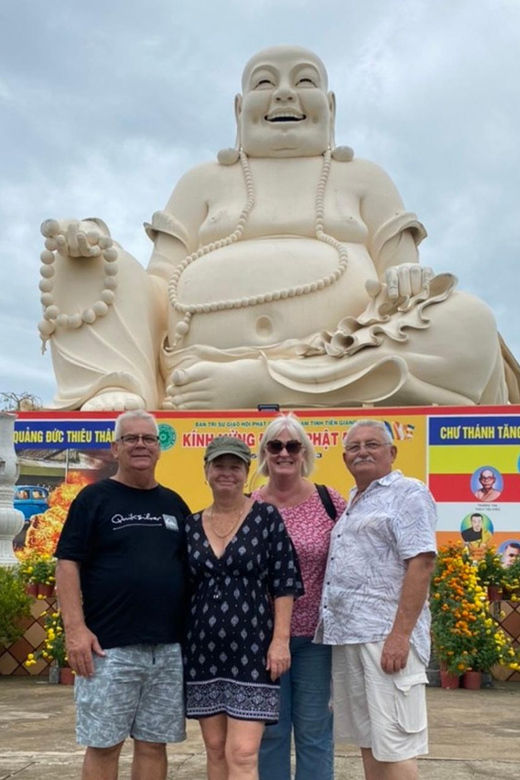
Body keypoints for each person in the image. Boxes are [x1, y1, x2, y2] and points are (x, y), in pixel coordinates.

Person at [39, 45, 519, 412]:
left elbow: (407, 283)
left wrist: (404, 278)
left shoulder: (364, 177)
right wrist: (95, 247)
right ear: (238, 109)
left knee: (469, 320)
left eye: (303, 81)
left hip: (344, 354)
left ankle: (262, 383)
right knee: (88, 258)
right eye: (265, 83)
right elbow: (158, 285)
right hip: (194, 364)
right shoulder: (202, 181)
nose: (285, 92)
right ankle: (121, 382)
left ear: (330, 106)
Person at [55, 410, 191, 780]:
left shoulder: (174, 505)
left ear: (159, 448)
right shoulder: (94, 498)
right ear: (116, 448)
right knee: (104, 744)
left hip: (166, 648)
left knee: (153, 744)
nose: (141, 445)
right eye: (131, 439)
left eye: (148, 438)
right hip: (108, 647)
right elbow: (67, 564)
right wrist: (75, 629)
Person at [315, 419, 437, 780]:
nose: (362, 452)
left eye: (372, 444)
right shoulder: (355, 499)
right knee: (370, 743)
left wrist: (400, 636)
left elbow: (422, 562)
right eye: (354, 447)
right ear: (344, 457)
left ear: (392, 452)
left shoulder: (409, 493)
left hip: (385, 639)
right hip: (350, 637)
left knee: (396, 745)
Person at [183, 435, 303, 780]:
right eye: (219, 465)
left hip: (253, 650)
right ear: (206, 470)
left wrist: (280, 641)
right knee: (216, 750)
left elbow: (284, 583)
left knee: (244, 752)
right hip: (203, 651)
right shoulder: (190, 525)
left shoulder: (267, 518)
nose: (227, 473)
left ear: (246, 472)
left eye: (235, 466)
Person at [250, 413, 346, 780]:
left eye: (293, 445)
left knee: (315, 731)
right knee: (270, 732)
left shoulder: (328, 501)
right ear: (265, 453)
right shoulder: (251, 506)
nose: (284, 453)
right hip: (263, 640)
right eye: (276, 445)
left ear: (305, 451)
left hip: (316, 638)